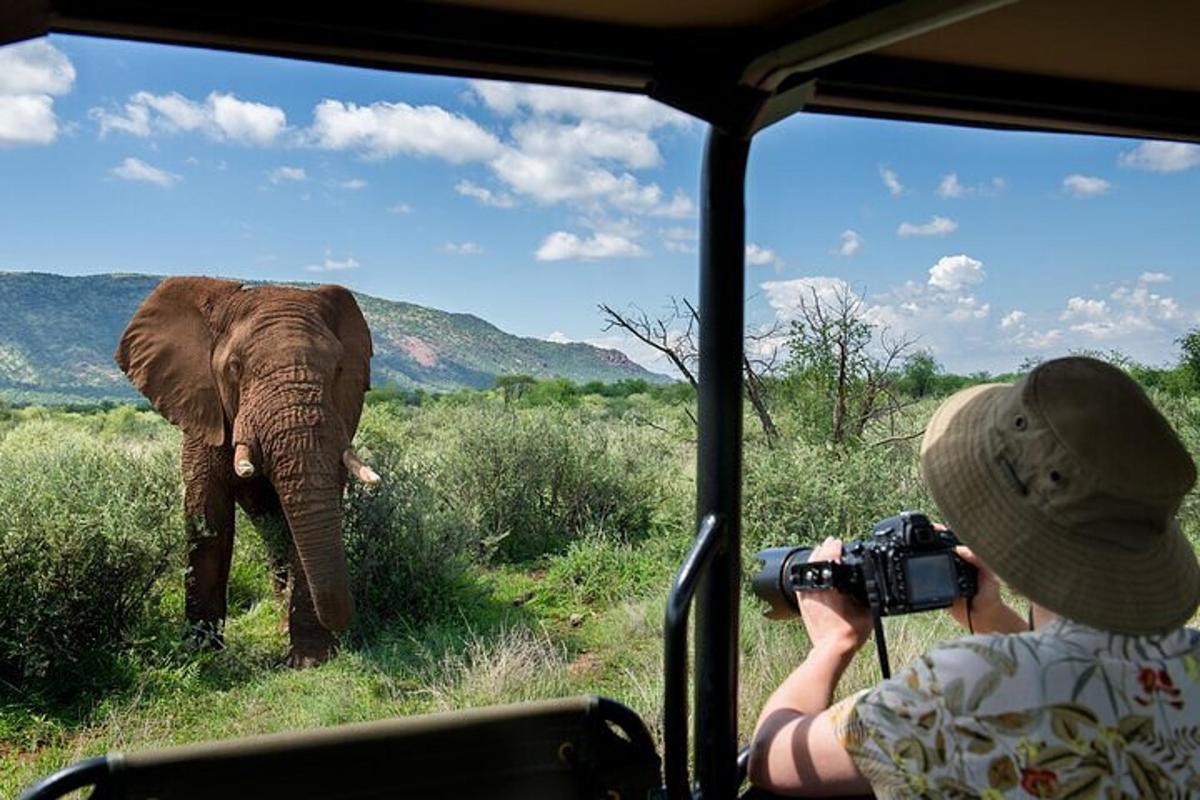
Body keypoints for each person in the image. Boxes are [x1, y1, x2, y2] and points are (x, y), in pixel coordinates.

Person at [749, 356, 1200, 798]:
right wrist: (991, 616)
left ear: (1005, 537)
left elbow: (772, 758)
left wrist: (833, 644)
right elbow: (1084, 670)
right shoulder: (1189, 667)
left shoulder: (963, 690)